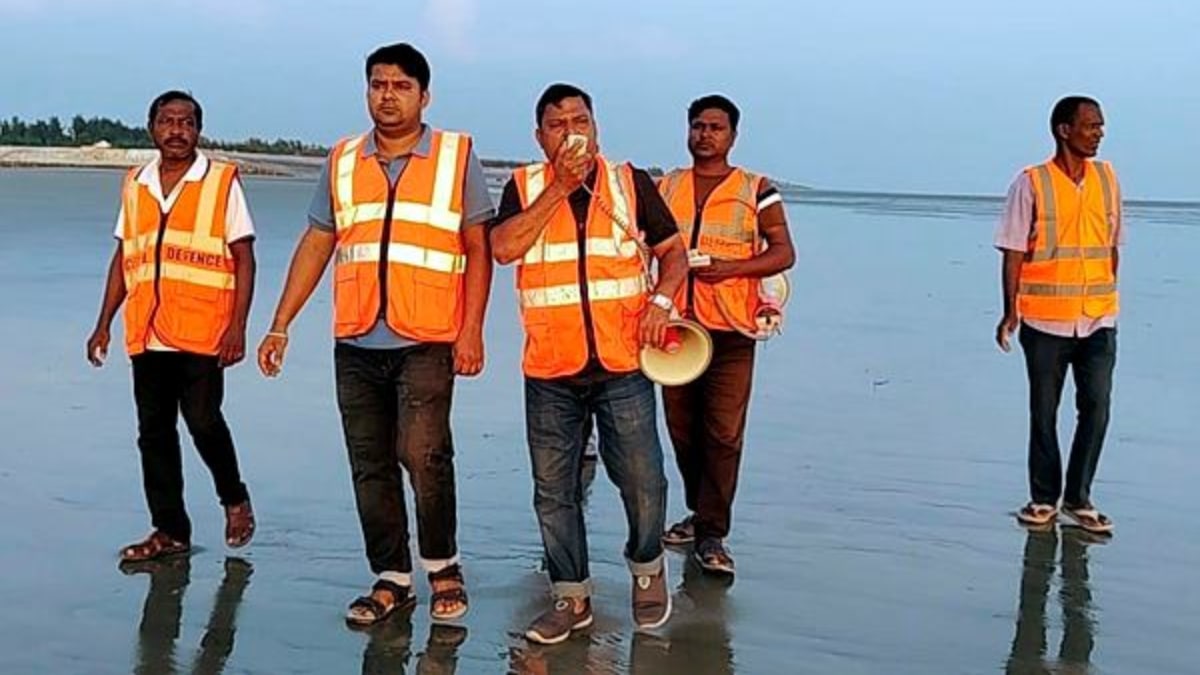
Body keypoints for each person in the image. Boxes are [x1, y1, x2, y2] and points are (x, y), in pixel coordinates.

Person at [255, 43, 495, 626]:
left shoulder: (454, 157)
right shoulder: (341, 161)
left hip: (428, 337)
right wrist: (280, 323)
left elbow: (478, 249)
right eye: (378, 84)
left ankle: (443, 565)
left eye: (400, 85)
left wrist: (472, 332)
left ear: (424, 95)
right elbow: (318, 243)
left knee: (424, 453)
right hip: (358, 338)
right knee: (369, 460)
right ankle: (391, 576)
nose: (387, 95)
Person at [489, 83, 688, 644]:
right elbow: (504, 248)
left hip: (624, 362)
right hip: (551, 369)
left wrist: (663, 301)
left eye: (580, 120)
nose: (571, 131)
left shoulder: (630, 184)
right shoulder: (524, 185)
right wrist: (558, 189)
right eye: (558, 124)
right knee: (554, 491)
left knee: (643, 479)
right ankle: (570, 596)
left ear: (597, 126)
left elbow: (672, 253)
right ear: (540, 136)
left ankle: (647, 568)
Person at [87, 90, 257, 563]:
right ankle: (169, 529)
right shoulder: (136, 183)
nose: (176, 130)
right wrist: (103, 323)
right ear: (152, 129)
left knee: (203, 421)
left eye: (185, 121)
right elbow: (125, 256)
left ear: (198, 130)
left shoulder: (220, 182)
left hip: (203, 328)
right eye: (167, 121)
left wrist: (237, 327)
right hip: (146, 330)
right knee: (154, 432)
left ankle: (234, 497)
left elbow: (244, 256)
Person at [657, 94, 795, 576]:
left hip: (732, 330)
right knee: (681, 430)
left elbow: (783, 253)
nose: (705, 135)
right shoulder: (667, 186)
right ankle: (699, 511)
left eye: (715, 127)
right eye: (697, 126)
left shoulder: (757, 189)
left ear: (732, 135)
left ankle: (713, 534)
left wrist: (731, 268)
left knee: (724, 433)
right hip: (674, 328)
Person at [994, 95, 1122, 535]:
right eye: (1090, 125)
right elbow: (1012, 252)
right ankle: (1043, 499)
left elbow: (1111, 246)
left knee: (1097, 408)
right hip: (1045, 319)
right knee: (1044, 411)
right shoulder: (1031, 183)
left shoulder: (1108, 179)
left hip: (1099, 317)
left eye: (1101, 126)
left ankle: (1079, 498)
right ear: (1064, 130)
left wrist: (1109, 293)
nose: (1099, 133)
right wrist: (1009, 311)